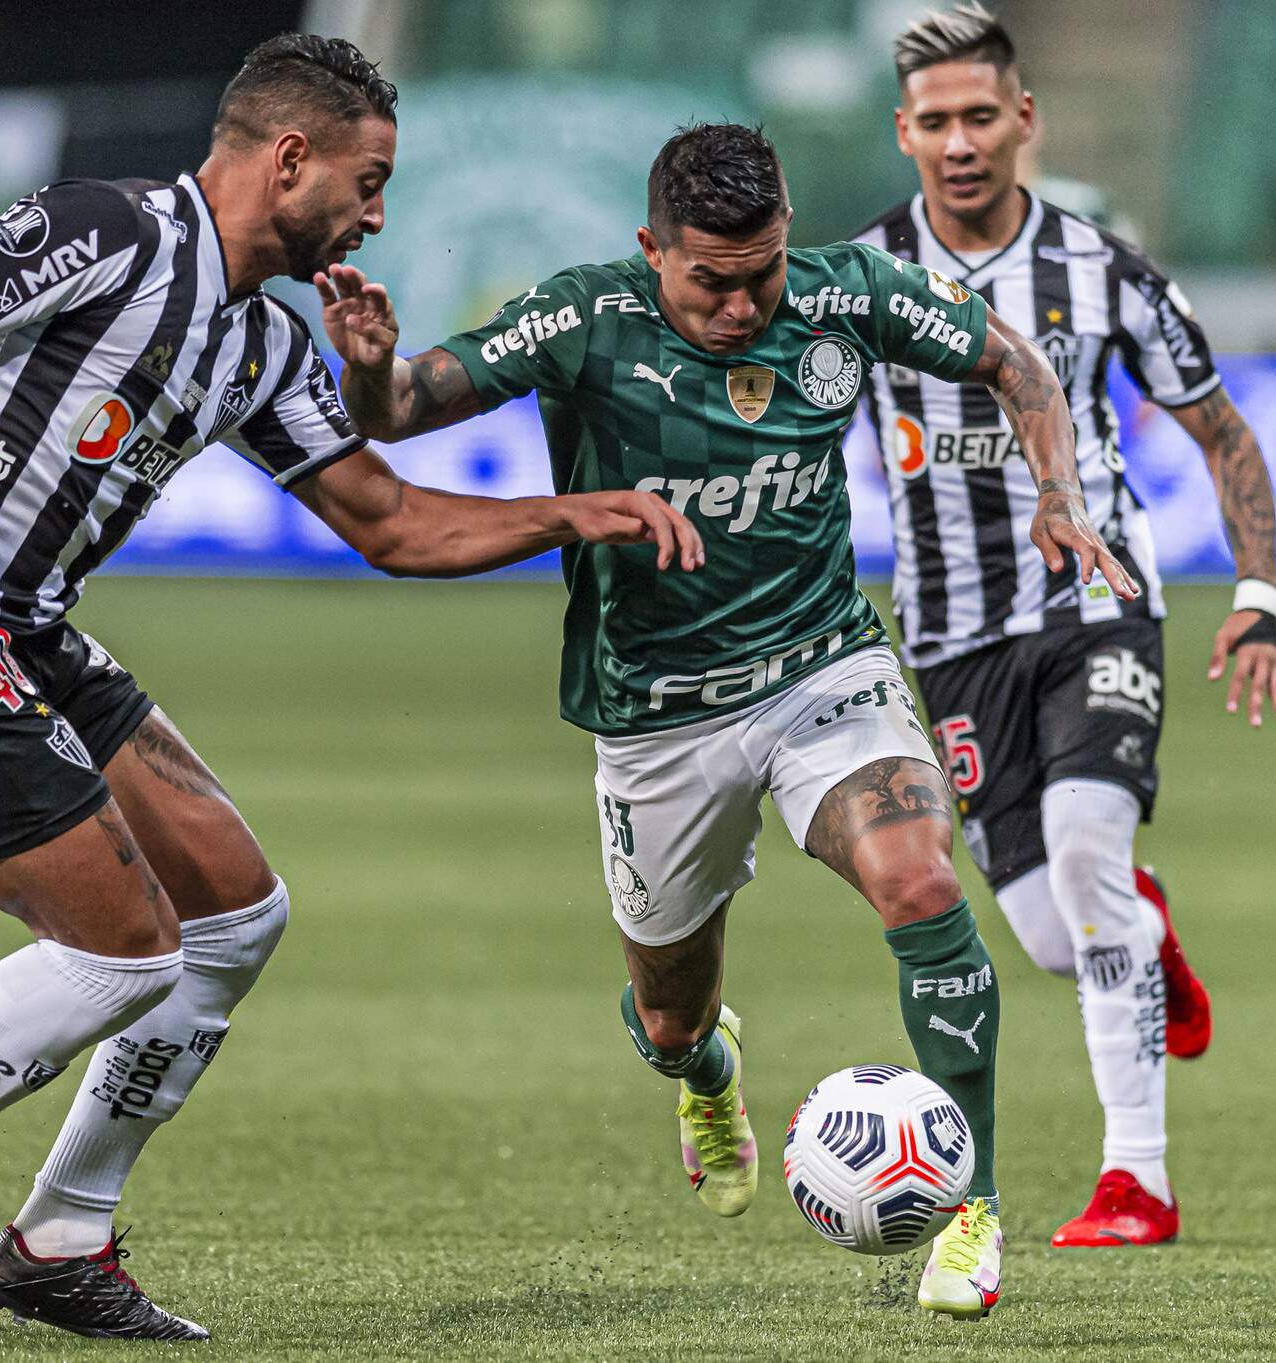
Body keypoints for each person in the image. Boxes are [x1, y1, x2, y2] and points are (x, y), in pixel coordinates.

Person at [0, 34, 700, 1343]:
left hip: (27, 631)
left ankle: (60, 1236)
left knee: (238, 914)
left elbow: (392, 522)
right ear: (290, 157)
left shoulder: (260, 340)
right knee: (120, 946)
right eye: (368, 183)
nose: (378, 212)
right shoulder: (112, 233)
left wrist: (575, 514)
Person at [321, 120, 1138, 1320]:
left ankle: (973, 1212)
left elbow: (1015, 366)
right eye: (710, 278)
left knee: (921, 882)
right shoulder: (584, 319)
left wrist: (1056, 497)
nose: (742, 304)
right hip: (656, 717)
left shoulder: (844, 295)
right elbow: (394, 412)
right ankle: (706, 1072)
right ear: (652, 249)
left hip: (822, 670)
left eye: (760, 272)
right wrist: (366, 363)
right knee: (665, 1012)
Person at [856, 3, 1276, 1247]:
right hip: (950, 636)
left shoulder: (1103, 269)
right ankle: (1144, 930)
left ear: (1024, 122)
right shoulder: (859, 278)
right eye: (935, 122)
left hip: (1097, 605)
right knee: (1058, 930)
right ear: (903, 133)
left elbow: (1220, 429)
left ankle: (1136, 1180)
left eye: (980, 117)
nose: (959, 142)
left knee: (1085, 857)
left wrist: (1256, 601)